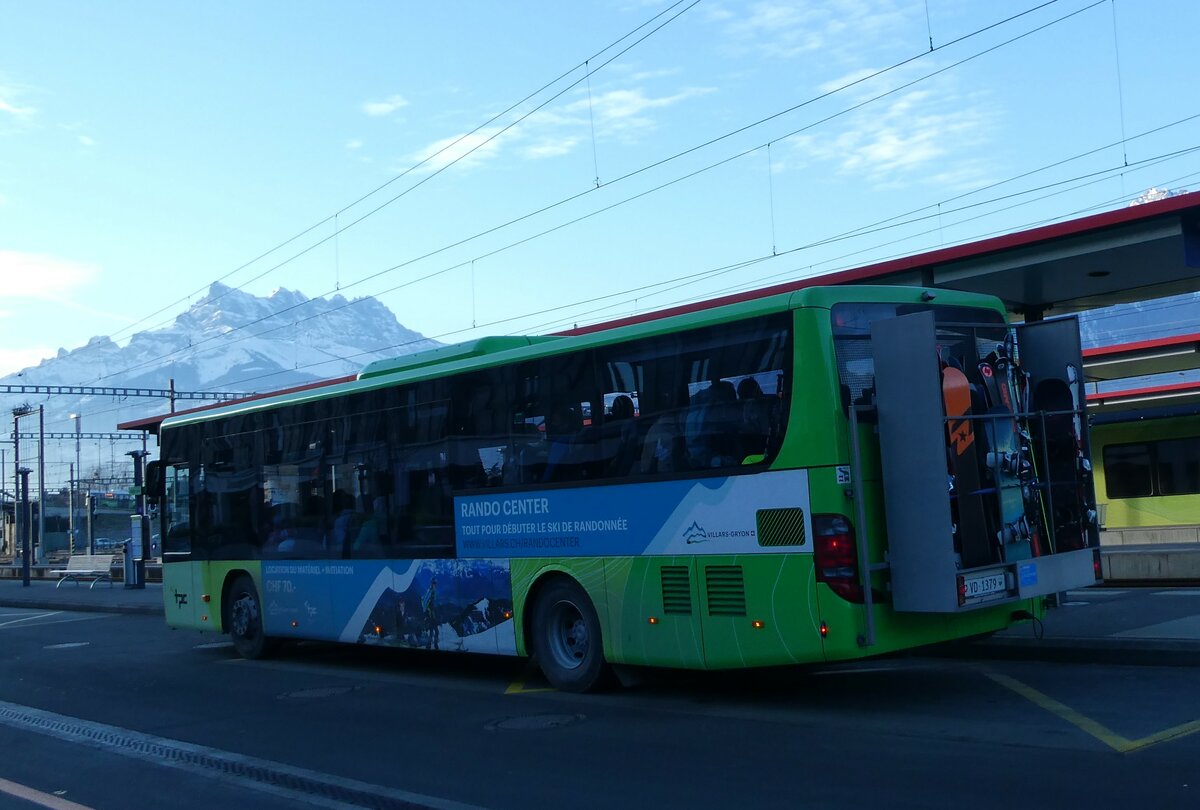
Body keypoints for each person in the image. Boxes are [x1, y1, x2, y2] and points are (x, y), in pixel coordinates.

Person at [423, 576, 440, 650]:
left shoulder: (432, 591)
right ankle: (434, 645)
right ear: (432, 583)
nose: (434, 584)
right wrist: (427, 612)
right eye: (434, 583)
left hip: (432, 614)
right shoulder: (430, 591)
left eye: (435, 583)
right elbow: (426, 603)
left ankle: (429, 645)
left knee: (433, 631)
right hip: (431, 615)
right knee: (434, 631)